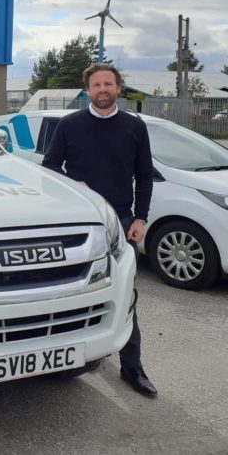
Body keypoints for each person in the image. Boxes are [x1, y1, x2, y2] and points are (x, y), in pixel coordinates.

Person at [42, 63, 157, 397]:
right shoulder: (69, 125)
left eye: (109, 84)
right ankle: (62, 360)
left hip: (121, 222)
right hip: (77, 223)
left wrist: (140, 219)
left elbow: (145, 176)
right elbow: (49, 167)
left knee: (126, 296)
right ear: (87, 90)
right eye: (96, 85)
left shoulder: (134, 127)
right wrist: (70, 182)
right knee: (70, 295)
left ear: (118, 88)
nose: (103, 89)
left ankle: (132, 368)